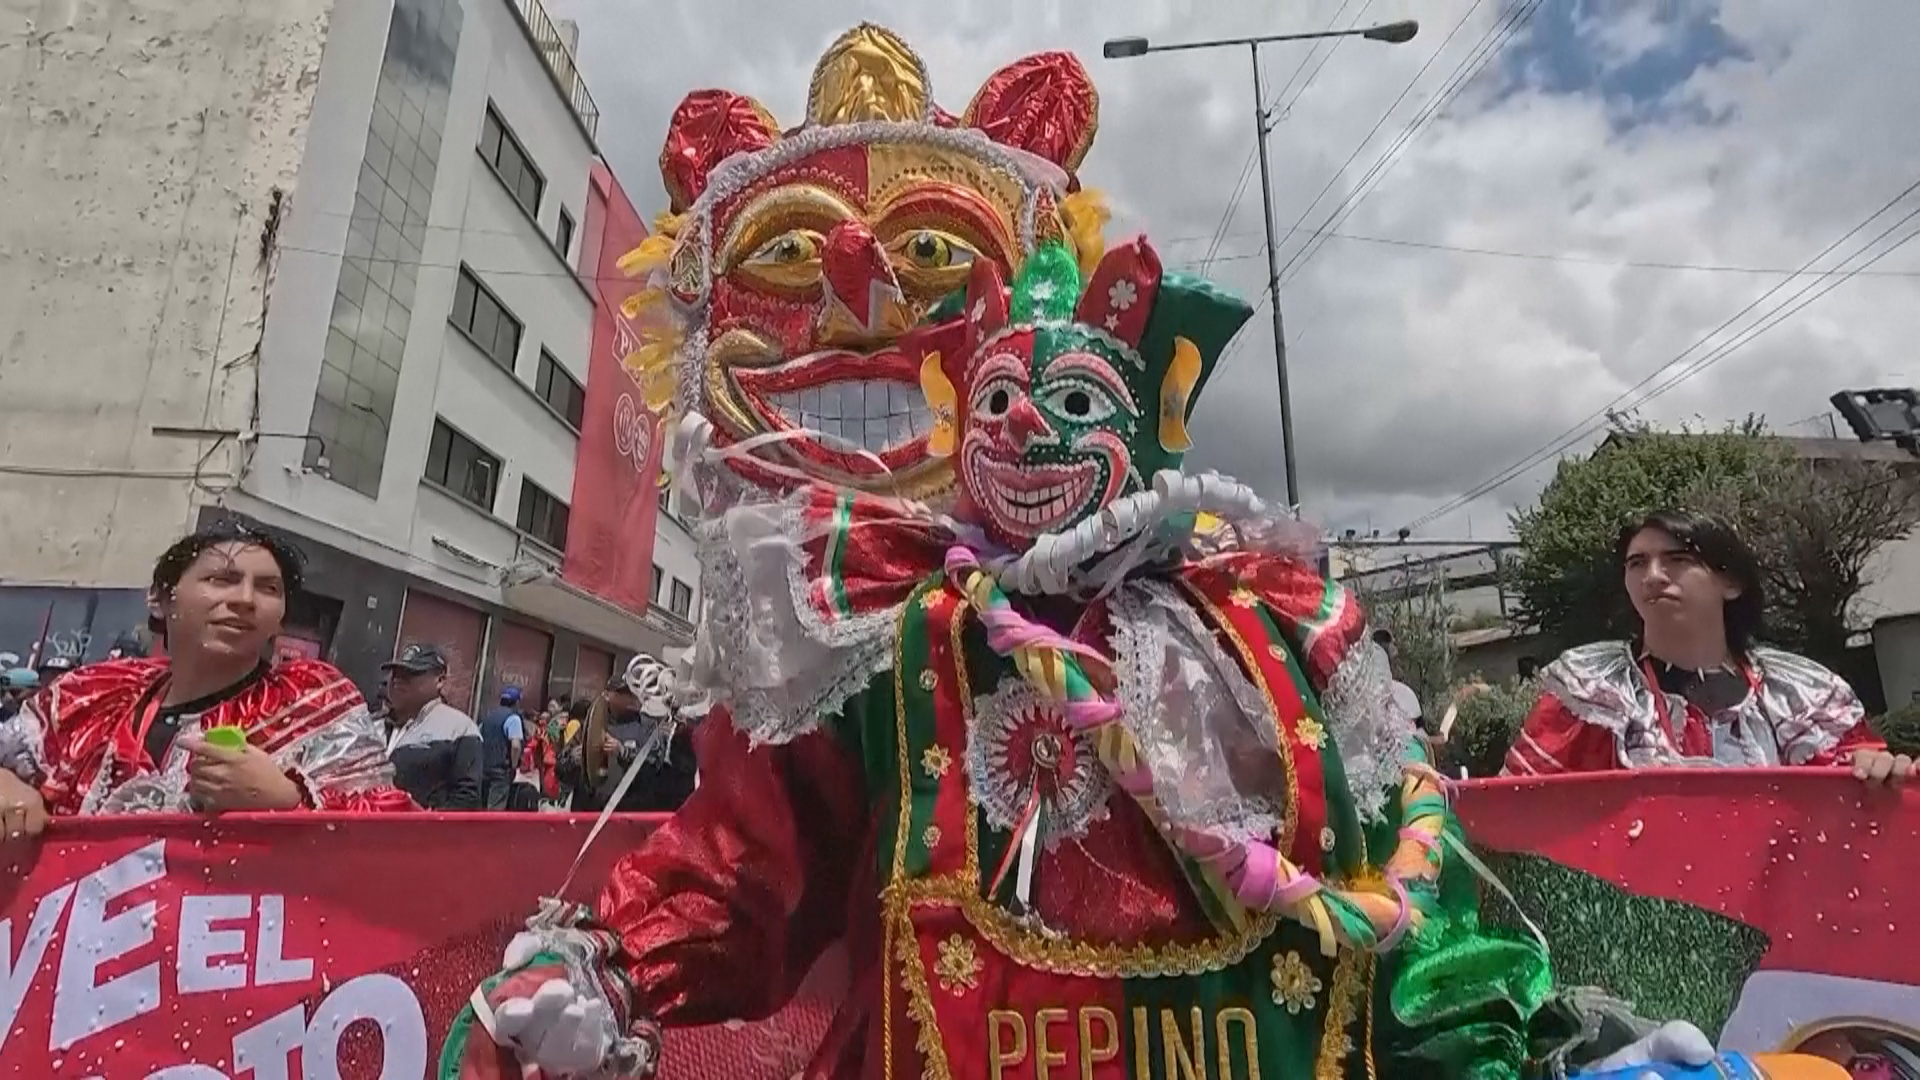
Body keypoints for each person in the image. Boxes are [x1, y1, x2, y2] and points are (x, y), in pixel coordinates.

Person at [451, 229, 1707, 1073]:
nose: (1024, 432)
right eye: (994, 402)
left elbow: (1402, 892)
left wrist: (1544, 1047)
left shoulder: (1269, 628)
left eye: (1073, 407)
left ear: (1146, 437)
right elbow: (746, 868)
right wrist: (607, 969)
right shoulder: (888, 634)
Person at [0, 519, 411, 833]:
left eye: (268, 588)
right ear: (161, 599)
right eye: (222, 580)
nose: (245, 600)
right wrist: (11, 788)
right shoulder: (92, 694)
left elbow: (398, 836)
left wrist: (289, 799)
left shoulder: (314, 699)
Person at [1503, 509, 1912, 784]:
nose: (1653, 576)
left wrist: (1879, 773)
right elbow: (1524, 808)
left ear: (1731, 583)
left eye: (1677, 559)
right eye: (1636, 563)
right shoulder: (1592, 693)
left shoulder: (1801, 696)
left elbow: (1856, 790)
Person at [382, 643, 482, 810]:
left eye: (411, 673)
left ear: (440, 680)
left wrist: (424, 819)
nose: (398, 679)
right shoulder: (369, 726)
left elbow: (467, 800)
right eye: (395, 673)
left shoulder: (460, 728)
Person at [479, 686, 525, 810]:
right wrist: (514, 766)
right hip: (501, 770)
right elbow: (515, 746)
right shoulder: (513, 718)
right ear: (516, 703)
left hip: (484, 768)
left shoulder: (488, 717)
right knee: (495, 808)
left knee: (482, 807)